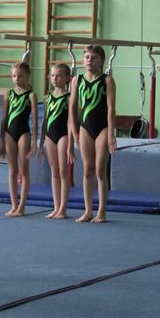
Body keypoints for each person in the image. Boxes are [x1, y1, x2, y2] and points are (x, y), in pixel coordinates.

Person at [69, 45, 117, 223]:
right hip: (85, 128)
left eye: (94, 58)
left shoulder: (107, 80)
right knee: (87, 169)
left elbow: (111, 109)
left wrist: (111, 134)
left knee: (99, 170)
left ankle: (102, 211)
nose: (90, 61)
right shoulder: (77, 80)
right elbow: (73, 107)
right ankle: (88, 210)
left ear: (101, 61)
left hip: (102, 128)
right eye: (87, 57)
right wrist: (74, 131)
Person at [0, 61, 38, 217]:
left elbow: (35, 120)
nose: (16, 79)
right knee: (12, 170)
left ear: (28, 76)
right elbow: (4, 118)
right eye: (14, 76)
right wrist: (1, 140)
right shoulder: (9, 93)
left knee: (24, 169)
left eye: (20, 76)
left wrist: (35, 143)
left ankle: (22, 206)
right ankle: (14, 205)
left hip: (24, 133)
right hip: (9, 133)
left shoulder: (31, 95)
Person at [39, 63, 72, 219]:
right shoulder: (47, 98)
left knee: (63, 171)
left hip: (64, 135)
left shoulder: (70, 98)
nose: (55, 79)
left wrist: (72, 142)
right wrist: (40, 142)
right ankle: (56, 206)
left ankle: (63, 208)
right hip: (49, 136)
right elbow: (44, 120)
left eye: (58, 76)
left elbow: (73, 121)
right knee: (54, 172)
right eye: (52, 76)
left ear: (67, 78)